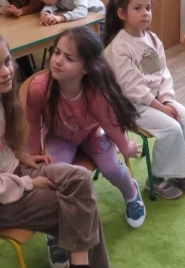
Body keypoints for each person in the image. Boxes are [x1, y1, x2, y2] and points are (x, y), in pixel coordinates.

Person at [0, 30, 116, 268]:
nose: (6, 71)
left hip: (13, 177)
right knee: (78, 207)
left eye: (7, 61)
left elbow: (0, 144)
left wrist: (22, 156)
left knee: (79, 179)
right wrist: (30, 183)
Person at [27, 26, 146, 227]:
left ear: (86, 68)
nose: (58, 61)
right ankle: (55, 223)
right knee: (54, 176)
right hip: (59, 137)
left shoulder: (96, 93)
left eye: (69, 58)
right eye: (57, 52)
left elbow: (110, 125)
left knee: (112, 168)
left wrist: (126, 148)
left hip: (92, 133)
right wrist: (33, 156)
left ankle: (131, 192)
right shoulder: (40, 88)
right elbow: (31, 125)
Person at [103, 0, 185, 200]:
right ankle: (156, 178)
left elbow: (162, 74)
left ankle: (181, 172)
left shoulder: (151, 39)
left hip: (156, 100)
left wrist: (167, 100)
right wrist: (161, 107)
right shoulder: (119, 46)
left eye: (148, 8)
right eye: (137, 8)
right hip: (131, 105)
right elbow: (132, 88)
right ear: (122, 13)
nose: (145, 13)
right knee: (172, 128)